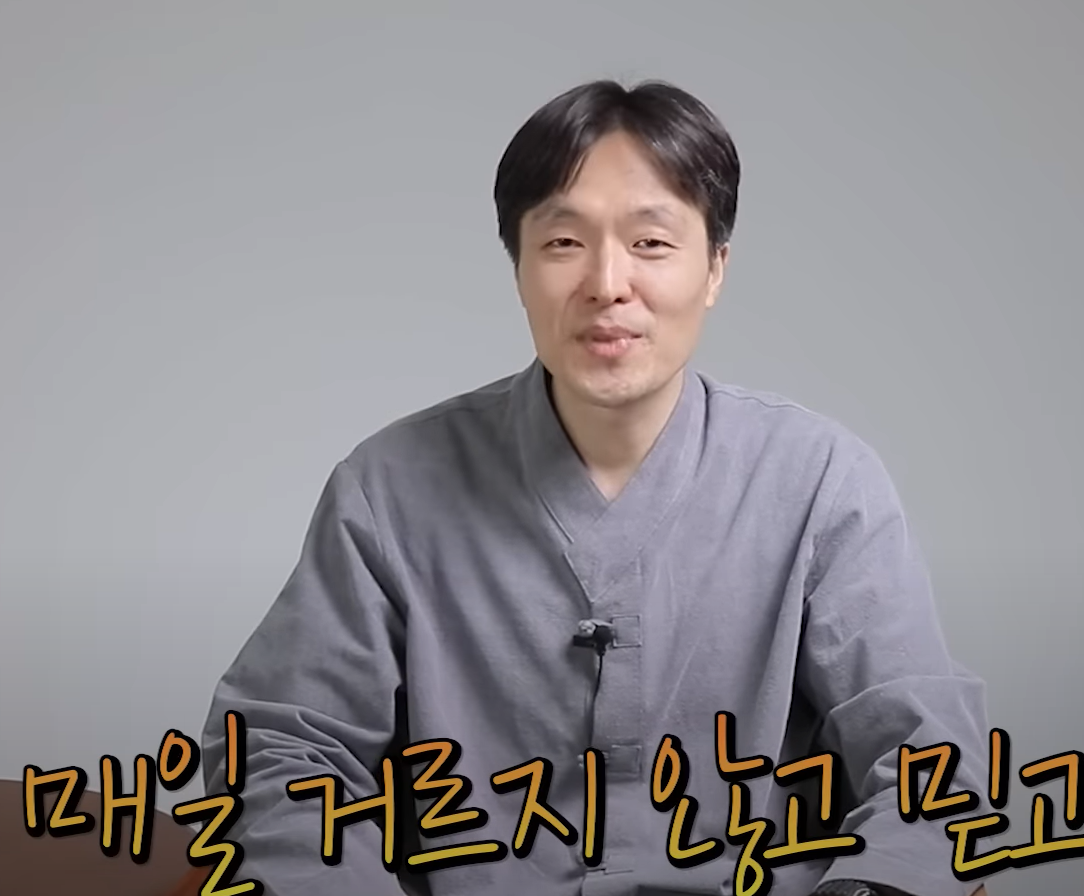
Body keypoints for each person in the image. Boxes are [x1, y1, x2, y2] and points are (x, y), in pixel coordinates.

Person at [198, 79, 991, 896]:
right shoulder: (389, 489)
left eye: (651, 242)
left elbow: (933, 762)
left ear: (715, 268)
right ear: (519, 268)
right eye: (563, 241)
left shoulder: (821, 482)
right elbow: (277, 751)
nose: (608, 282)